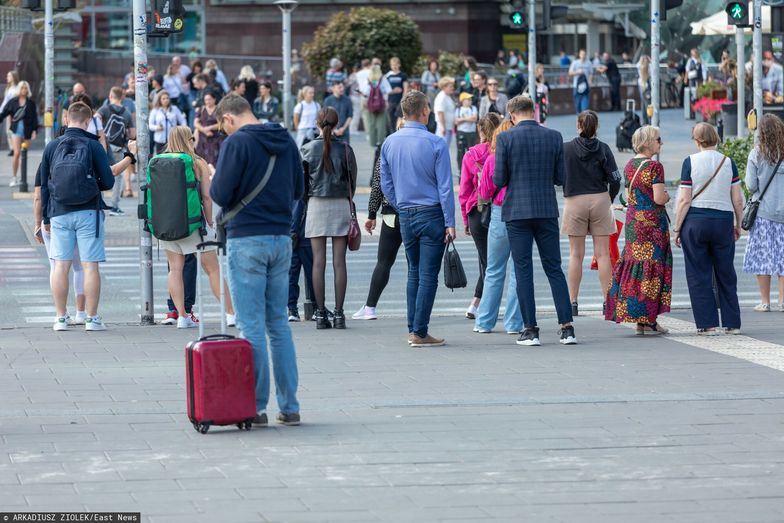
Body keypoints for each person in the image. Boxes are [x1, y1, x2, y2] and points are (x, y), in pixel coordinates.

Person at [209, 93, 303, 427]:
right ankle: (290, 406)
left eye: (223, 127)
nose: (224, 133)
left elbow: (219, 194)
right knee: (278, 324)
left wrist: (212, 176)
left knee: (250, 327)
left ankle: (256, 405)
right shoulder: (286, 140)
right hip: (281, 238)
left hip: (247, 238)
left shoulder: (237, 144)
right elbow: (297, 190)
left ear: (229, 118)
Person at [492, 95, 576, 346]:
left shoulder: (505, 138)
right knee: (554, 268)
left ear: (512, 115)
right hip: (546, 209)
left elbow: (499, 180)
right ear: (534, 111)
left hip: (517, 212)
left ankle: (530, 329)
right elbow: (561, 177)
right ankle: (567, 327)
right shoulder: (554, 136)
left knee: (523, 269)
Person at [381, 91, 456, 347]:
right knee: (427, 275)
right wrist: (450, 222)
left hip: (405, 213)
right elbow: (445, 188)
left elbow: (385, 183)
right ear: (424, 111)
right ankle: (420, 331)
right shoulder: (435, 143)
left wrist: (400, 202)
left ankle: (413, 327)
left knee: (413, 272)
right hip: (431, 212)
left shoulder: (390, 142)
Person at [39, 102, 114, 332]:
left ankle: (60, 319)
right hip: (89, 212)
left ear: (66, 120)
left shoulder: (52, 146)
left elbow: (43, 186)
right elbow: (109, 182)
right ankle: (91, 319)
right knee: (90, 266)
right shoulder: (93, 145)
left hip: (59, 212)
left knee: (60, 266)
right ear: (88, 121)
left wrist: (46, 218)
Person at [156, 126, 235, 329]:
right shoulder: (197, 162)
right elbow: (207, 197)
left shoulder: (158, 160)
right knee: (213, 269)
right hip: (193, 224)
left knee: (175, 269)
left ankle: (182, 316)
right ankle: (231, 313)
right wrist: (209, 220)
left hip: (166, 223)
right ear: (188, 139)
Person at [673, 123, 743, 335]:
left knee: (698, 273)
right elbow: (737, 199)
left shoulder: (690, 162)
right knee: (726, 272)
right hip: (723, 221)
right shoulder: (728, 162)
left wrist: (677, 228)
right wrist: (738, 224)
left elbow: (685, 199)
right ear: (716, 138)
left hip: (696, 221)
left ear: (696, 140)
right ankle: (732, 324)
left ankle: (707, 324)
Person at [605, 126, 672, 335]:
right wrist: (668, 197)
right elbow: (659, 198)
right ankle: (649, 320)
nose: (661, 143)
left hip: (635, 223)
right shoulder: (655, 167)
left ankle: (640, 321)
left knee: (636, 268)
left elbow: (627, 196)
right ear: (649, 142)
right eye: (658, 139)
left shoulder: (630, 165)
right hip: (652, 225)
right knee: (653, 270)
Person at [301, 107, 357, 329]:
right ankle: (340, 314)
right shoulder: (345, 149)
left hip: (316, 204)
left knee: (318, 262)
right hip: (340, 204)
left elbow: (300, 186)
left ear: (317, 123)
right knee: (339, 262)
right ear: (336, 124)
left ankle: (321, 314)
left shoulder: (306, 149)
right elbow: (352, 181)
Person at [562, 110, 620, 317]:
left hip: (575, 200)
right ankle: (608, 302)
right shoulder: (603, 149)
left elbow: (558, 175)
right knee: (603, 254)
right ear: (596, 127)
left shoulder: (566, 148)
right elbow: (615, 179)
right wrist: (609, 199)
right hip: (600, 199)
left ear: (578, 125)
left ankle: (572, 302)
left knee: (575, 254)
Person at [474, 120, 523, 335]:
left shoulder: (493, 160)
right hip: (521, 212)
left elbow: (484, 192)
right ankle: (513, 323)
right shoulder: (522, 159)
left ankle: (484, 321)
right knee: (518, 270)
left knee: (494, 269)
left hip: (499, 211)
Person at [459, 114, 501, 321]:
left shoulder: (470, 156)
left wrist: (465, 220)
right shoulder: (500, 153)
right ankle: (480, 306)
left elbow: (464, 190)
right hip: (498, 209)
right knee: (491, 263)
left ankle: (476, 304)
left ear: (480, 131)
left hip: (476, 211)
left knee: (485, 260)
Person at [353, 143, 401, 321]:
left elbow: (377, 185)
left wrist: (372, 214)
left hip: (391, 214)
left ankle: (370, 307)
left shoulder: (387, 152)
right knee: (417, 265)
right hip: (417, 212)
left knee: (384, 262)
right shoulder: (425, 147)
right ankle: (418, 309)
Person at [743, 114, 784, 312]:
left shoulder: (756, 153)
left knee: (763, 258)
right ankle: (783, 301)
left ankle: (765, 301)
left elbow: (751, 186)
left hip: (764, 214)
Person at [97, 87, 135, 217]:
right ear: (122, 97)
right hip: (119, 147)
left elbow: (95, 120)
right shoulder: (127, 113)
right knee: (118, 176)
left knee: (99, 174)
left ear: (110, 95)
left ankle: (99, 204)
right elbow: (132, 133)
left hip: (104, 146)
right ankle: (114, 206)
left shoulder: (104, 109)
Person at [0, 80, 37, 187]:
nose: (24, 90)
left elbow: (34, 118)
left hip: (28, 131)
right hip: (16, 131)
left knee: (23, 154)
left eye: (26, 88)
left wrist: (35, 131)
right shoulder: (13, 101)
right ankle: (14, 177)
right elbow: (4, 113)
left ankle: (23, 177)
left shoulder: (31, 103)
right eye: (22, 88)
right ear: (19, 89)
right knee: (16, 153)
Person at [362, 65, 391, 147]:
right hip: (381, 104)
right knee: (381, 124)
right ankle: (380, 142)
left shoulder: (368, 80)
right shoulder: (382, 80)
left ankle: (372, 143)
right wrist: (386, 101)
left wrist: (365, 101)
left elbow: (365, 92)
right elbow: (387, 91)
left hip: (370, 105)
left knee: (371, 124)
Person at [194, 91, 224, 167]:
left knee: (216, 159)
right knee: (203, 159)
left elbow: (221, 123)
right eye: (206, 100)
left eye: (209, 99)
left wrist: (210, 128)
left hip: (216, 137)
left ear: (214, 99)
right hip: (203, 138)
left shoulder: (219, 109)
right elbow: (196, 123)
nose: (207, 101)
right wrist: (204, 130)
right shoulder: (202, 109)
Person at [384, 57, 408, 134]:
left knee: (400, 119)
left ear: (399, 65)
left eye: (396, 64)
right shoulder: (388, 76)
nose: (394, 66)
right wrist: (393, 91)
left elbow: (405, 89)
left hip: (399, 101)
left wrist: (403, 99)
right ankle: (391, 134)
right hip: (390, 101)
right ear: (391, 66)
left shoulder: (403, 75)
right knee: (391, 120)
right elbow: (384, 90)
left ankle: (399, 133)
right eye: (393, 65)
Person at [455, 92, 478, 172]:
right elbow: (456, 121)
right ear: (463, 101)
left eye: (470, 99)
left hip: (471, 133)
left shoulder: (473, 108)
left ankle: (472, 170)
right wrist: (468, 119)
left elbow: (474, 119)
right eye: (468, 99)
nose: (470, 101)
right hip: (461, 132)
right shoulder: (458, 109)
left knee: (471, 152)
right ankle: (460, 170)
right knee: (460, 152)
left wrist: (463, 119)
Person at [433, 76, 456, 147]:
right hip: (443, 129)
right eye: (450, 86)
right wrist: (443, 127)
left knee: (445, 148)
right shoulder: (441, 97)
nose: (453, 88)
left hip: (448, 127)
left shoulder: (447, 96)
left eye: (453, 86)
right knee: (442, 149)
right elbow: (440, 113)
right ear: (444, 87)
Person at [568, 49, 593, 114]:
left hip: (585, 86)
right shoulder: (575, 62)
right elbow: (570, 73)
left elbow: (591, 73)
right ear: (579, 55)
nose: (583, 56)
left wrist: (590, 82)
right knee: (578, 105)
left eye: (584, 54)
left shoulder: (589, 63)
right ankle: (579, 117)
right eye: (582, 54)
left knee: (585, 106)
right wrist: (577, 72)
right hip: (576, 86)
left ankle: (584, 119)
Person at [1, 70, 19, 157]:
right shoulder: (8, 89)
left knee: (12, 130)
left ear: (13, 77)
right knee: (8, 131)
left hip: (12, 113)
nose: (7, 78)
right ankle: (12, 148)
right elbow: (5, 101)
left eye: (9, 76)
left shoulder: (16, 89)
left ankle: (14, 148)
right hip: (7, 112)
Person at [637, 55, 653, 125]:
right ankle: (649, 121)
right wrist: (649, 59)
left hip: (642, 87)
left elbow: (637, 64)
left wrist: (642, 59)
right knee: (647, 105)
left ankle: (645, 121)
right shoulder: (649, 67)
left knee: (644, 105)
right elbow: (653, 66)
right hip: (646, 88)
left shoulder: (641, 67)